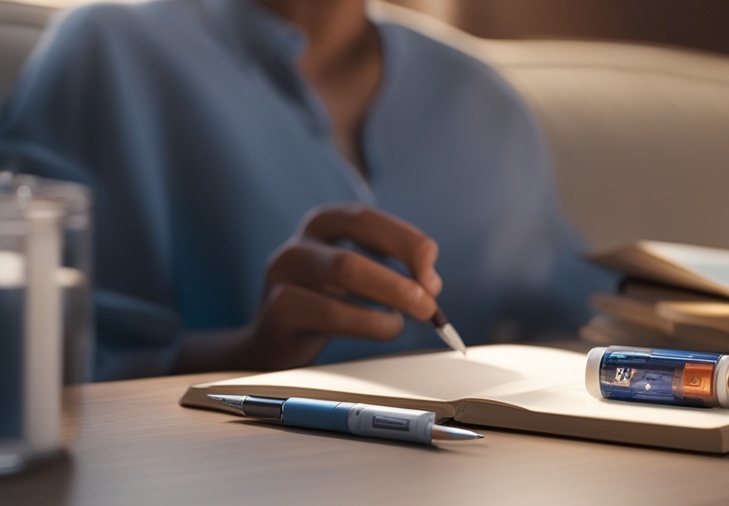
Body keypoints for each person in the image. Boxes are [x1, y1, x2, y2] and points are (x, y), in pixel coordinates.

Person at [0, 0, 618, 381]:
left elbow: (585, 317)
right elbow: (35, 363)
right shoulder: (107, 52)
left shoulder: (483, 101)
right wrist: (251, 349)